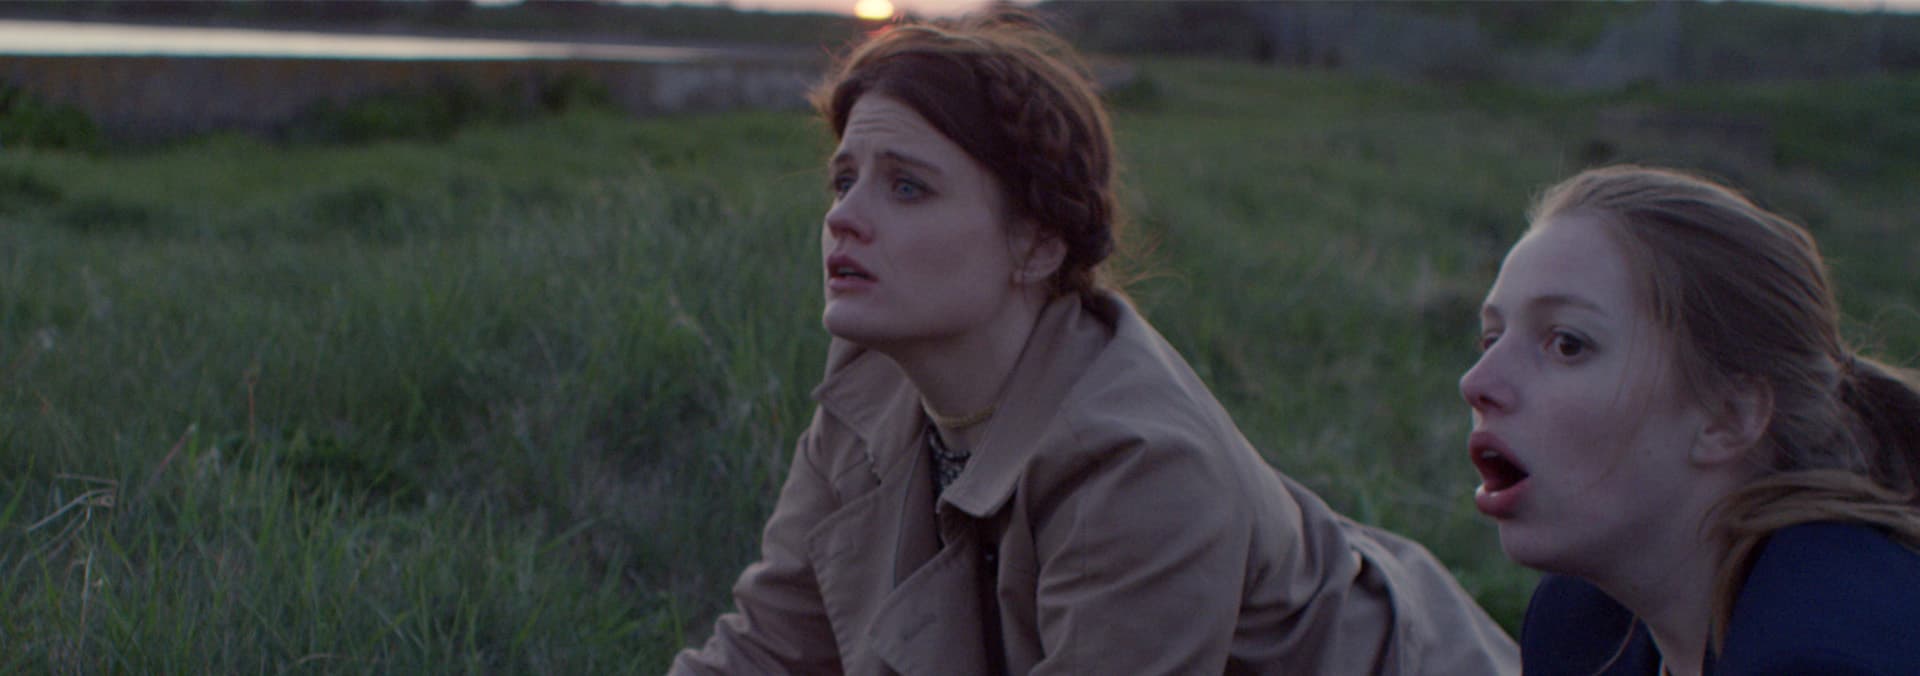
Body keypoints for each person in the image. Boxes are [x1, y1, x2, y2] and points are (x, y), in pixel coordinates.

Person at [670, 10, 1517, 675]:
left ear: (1037, 245)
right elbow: (769, 650)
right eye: (844, 180)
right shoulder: (874, 383)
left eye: (907, 187)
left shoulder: (1138, 462)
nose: (845, 219)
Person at [1460, 164, 1920, 675]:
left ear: (1729, 415)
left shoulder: (1832, 652)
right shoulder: (1582, 626)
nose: (1476, 383)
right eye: (1491, 339)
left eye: (1567, 344)